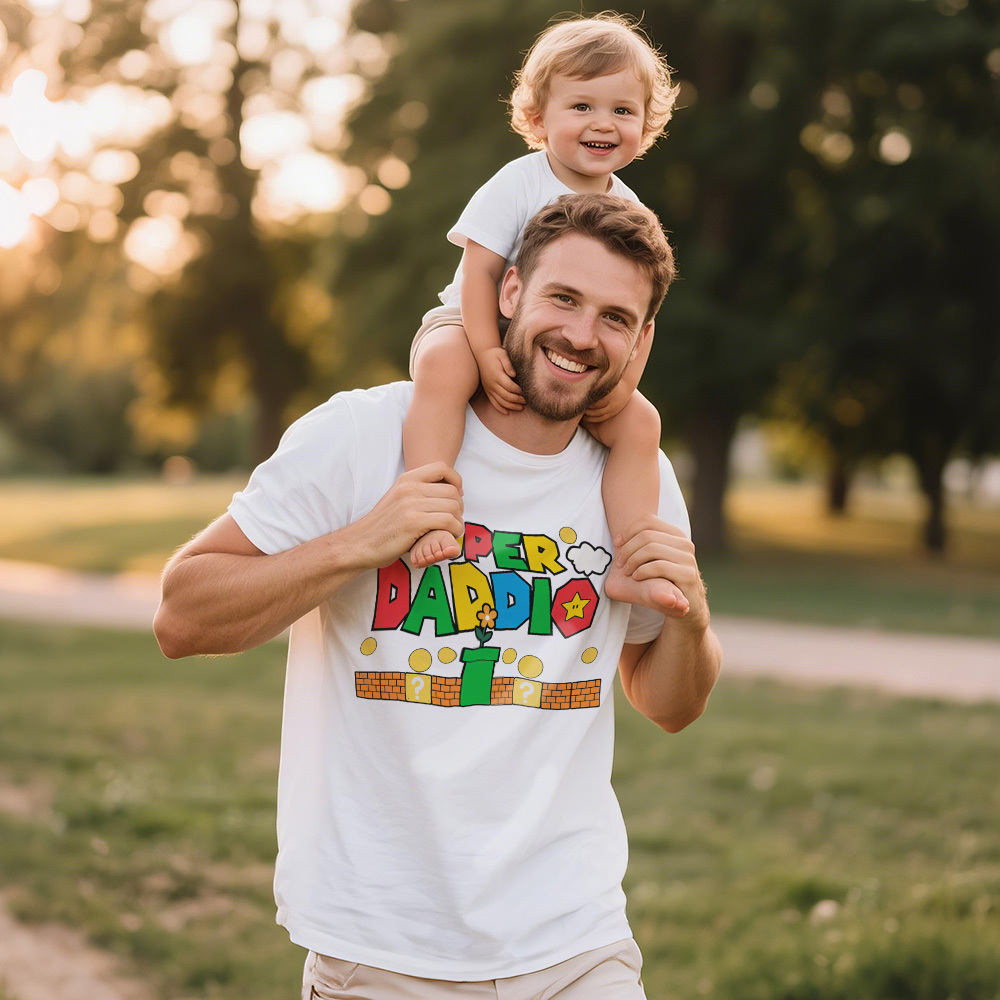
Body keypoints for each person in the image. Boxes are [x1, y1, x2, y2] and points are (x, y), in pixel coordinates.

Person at [154, 194, 722, 999]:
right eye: (564, 298)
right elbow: (181, 615)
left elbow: (670, 704)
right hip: (384, 949)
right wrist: (363, 541)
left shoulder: (638, 480)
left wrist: (690, 618)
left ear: (644, 339)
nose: (582, 336)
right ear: (511, 292)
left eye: (616, 317)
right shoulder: (362, 435)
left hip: (575, 942)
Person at [405, 12, 680, 593]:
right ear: (537, 118)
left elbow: (642, 317)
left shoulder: (631, 213)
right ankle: (427, 507)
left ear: (645, 127)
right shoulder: (518, 182)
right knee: (441, 365)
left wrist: (624, 385)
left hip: (562, 343)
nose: (602, 123)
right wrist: (483, 351)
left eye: (622, 111)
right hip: (470, 319)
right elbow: (480, 273)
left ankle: (635, 557)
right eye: (582, 106)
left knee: (641, 423)